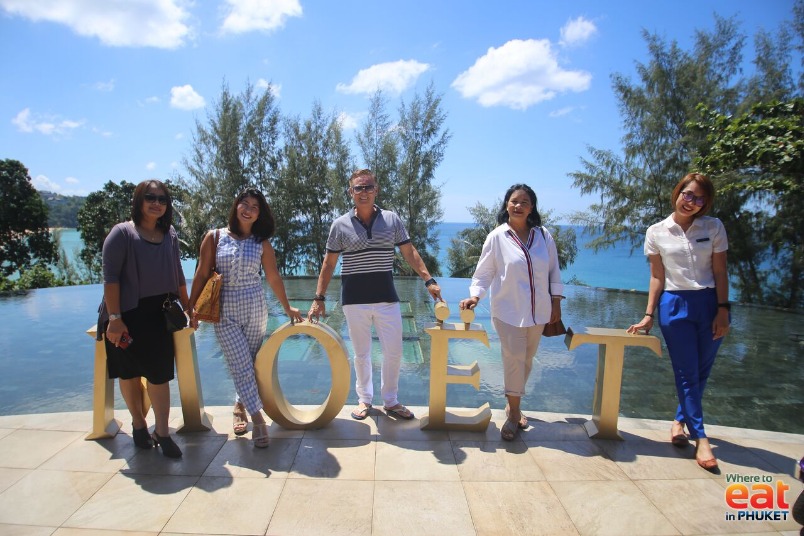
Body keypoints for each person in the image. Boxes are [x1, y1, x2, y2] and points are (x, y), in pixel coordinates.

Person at [307, 169, 442, 421]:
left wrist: (429, 279)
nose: (364, 192)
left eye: (368, 187)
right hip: (354, 300)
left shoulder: (391, 219)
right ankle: (365, 399)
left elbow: (409, 252)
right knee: (361, 354)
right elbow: (329, 263)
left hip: (386, 297)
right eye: (358, 188)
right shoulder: (340, 225)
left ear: (376, 190)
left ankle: (390, 401)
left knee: (394, 351)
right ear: (351, 192)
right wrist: (318, 298)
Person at [627, 173, 730, 472]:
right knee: (686, 373)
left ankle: (679, 422)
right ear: (678, 192)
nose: (691, 202)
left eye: (699, 198)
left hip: (710, 303)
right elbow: (657, 276)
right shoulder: (656, 231)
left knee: (701, 371)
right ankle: (701, 438)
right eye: (688, 194)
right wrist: (649, 314)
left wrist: (723, 309)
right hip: (674, 305)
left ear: (705, 203)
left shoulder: (713, 227)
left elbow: (720, 271)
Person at [188, 188, 302, 448]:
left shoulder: (262, 243)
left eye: (255, 207)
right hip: (224, 311)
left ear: (259, 214)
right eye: (245, 204)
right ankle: (258, 418)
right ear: (236, 205)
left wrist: (287, 308)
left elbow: (273, 277)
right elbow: (202, 273)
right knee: (240, 364)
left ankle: (240, 406)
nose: (248, 210)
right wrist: (190, 307)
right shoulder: (214, 237)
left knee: (249, 364)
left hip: (255, 309)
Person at [458, 183, 564, 441]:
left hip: (538, 312)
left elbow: (554, 270)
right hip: (508, 311)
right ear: (506, 205)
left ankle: (511, 404)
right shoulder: (497, 237)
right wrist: (475, 296)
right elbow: (484, 272)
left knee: (527, 360)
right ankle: (514, 414)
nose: (518, 206)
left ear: (532, 207)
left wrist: (556, 303)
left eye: (524, 202)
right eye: (514, 201)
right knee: (514, 357)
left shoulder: (543, 236)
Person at [100, 179, 188, 458]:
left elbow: (178, 273)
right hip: (126, 315)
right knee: (128, 372)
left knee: (160, 376)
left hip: (159, 315)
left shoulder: (169, 233)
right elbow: (110, 279)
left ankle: (162, 432)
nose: (156, 203)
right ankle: (139, 424)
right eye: (150, 197)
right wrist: (115, 319)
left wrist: (188, 306)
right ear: (139, 200)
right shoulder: (122, 233)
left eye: (162, 199)